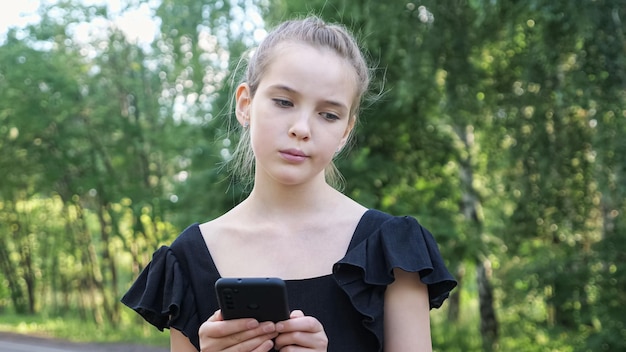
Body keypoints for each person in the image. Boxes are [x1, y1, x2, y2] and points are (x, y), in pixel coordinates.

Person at [121, 16, 457, 352]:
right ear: (245, 104)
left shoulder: (393, 250)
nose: (301, 127)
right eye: (284, 102)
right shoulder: (188, 258)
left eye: (328, 114)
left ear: (345, 132)